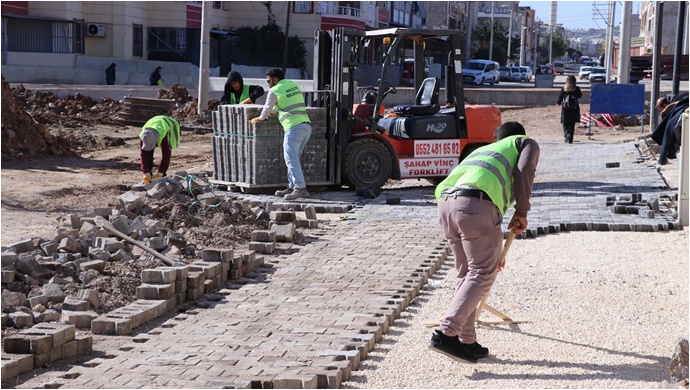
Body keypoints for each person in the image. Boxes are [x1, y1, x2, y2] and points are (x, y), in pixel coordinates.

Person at [429, 121, 540, 363]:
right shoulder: (523, 143)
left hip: (446, 205)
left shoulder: (483, 151)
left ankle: (465, 339)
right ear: (519, 136)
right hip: (474, 205)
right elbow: (525, 170)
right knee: (482, 272)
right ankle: (446, 333)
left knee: (467, 273)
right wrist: (522, 211)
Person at [250, 68, 311, 201]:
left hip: (293, 128)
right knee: (293, 158)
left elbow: (266, 108)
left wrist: (261, 118)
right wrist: (277, 110)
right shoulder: (293, 85)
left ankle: (300, 189)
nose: (267, 83)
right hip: (305, 126)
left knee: (291, 159)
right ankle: (292, 186)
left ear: (275, 79)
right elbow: (289, 103)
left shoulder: (275, 90)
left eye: (268, 80)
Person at [139, 115, 181, 184]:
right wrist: (145, 172)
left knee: (167, 149)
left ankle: (163, 175)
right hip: (154, 122)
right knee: (148, 152)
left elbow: (166, 155)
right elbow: (143, 154)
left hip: (170, 125)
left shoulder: (163, 136)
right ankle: (149, 175)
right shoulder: (143, 136)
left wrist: (160, 173)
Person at [556, 75, 582, 144]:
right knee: (572, 124)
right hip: (574, 109)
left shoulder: (564, 89)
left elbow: (560, 97)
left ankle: (566, 133)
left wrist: (558, 102)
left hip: (566, 108)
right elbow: (580, 96)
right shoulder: (576, 88)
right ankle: (570, 140)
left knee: (565, 123)